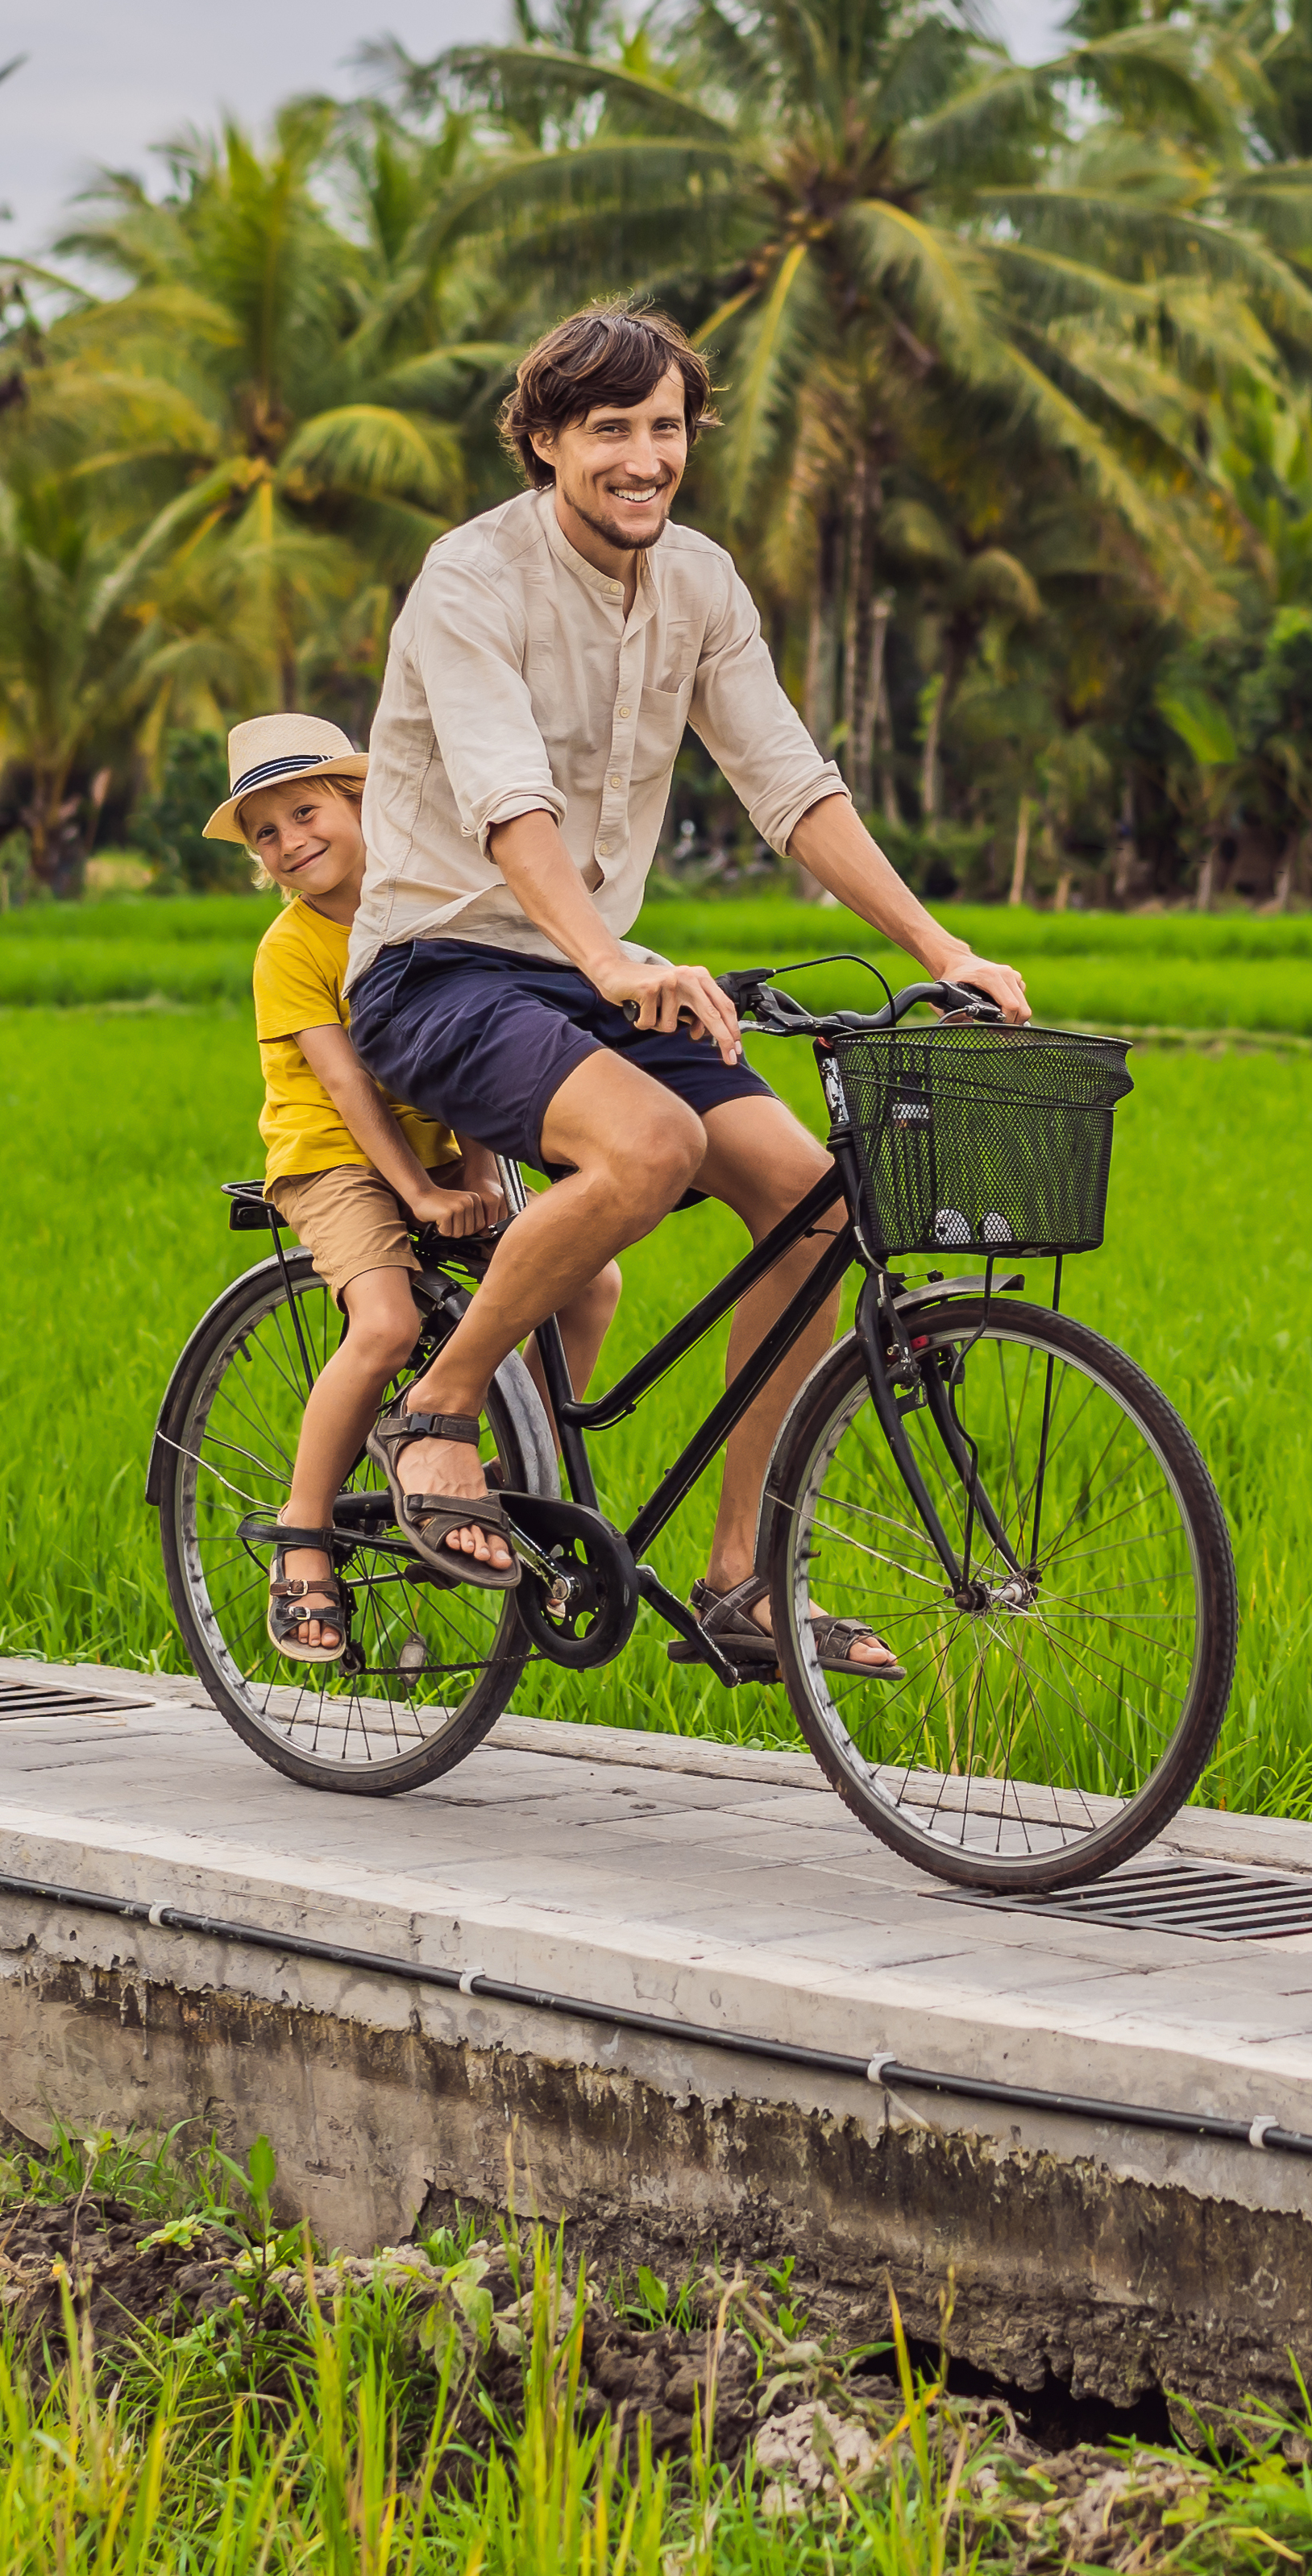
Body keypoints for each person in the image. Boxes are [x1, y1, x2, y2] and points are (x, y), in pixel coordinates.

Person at [343, 301, 1026, 1676]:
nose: (645, 457)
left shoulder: (701, 584)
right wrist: (609, 955)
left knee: (820, 1196)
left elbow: (788, 780)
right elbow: (504, 801)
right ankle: (442, 1407)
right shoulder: (470, 579)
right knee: (650, 1146)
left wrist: (939, 949)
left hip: (591, 976)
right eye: (611, 431)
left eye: (666, 429)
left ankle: (744, 1578)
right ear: (544, 442)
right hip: (438, 965)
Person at [216, 713, 616, 1664]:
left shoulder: (426, 908)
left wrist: (478, 1171)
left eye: (306, 811)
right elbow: (349, 1084)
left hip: (439, 1144)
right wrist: (425, 1193)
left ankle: (488, 1477)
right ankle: (303, 1533)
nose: (289, 842)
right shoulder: (290, 950)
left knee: (586, 1281)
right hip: (335, 1158)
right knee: (388, 1325)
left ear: (365, 806)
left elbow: (463, 1052)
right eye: (266, 833)